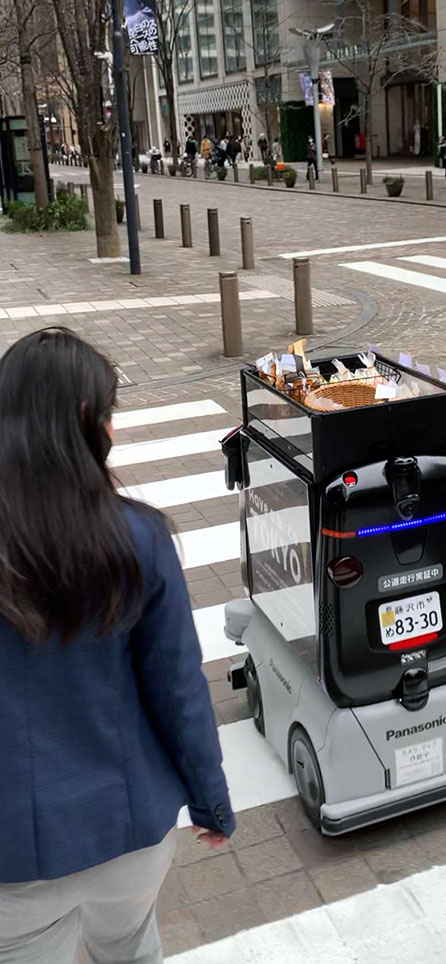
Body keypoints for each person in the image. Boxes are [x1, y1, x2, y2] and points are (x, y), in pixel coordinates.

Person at [0, 328, 235, 963]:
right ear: (85, 421)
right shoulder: (138, 536)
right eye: (109, 414)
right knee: (130, 946)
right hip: (129, 826)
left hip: (10, 858)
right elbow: (179, 688)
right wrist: (211, 801)